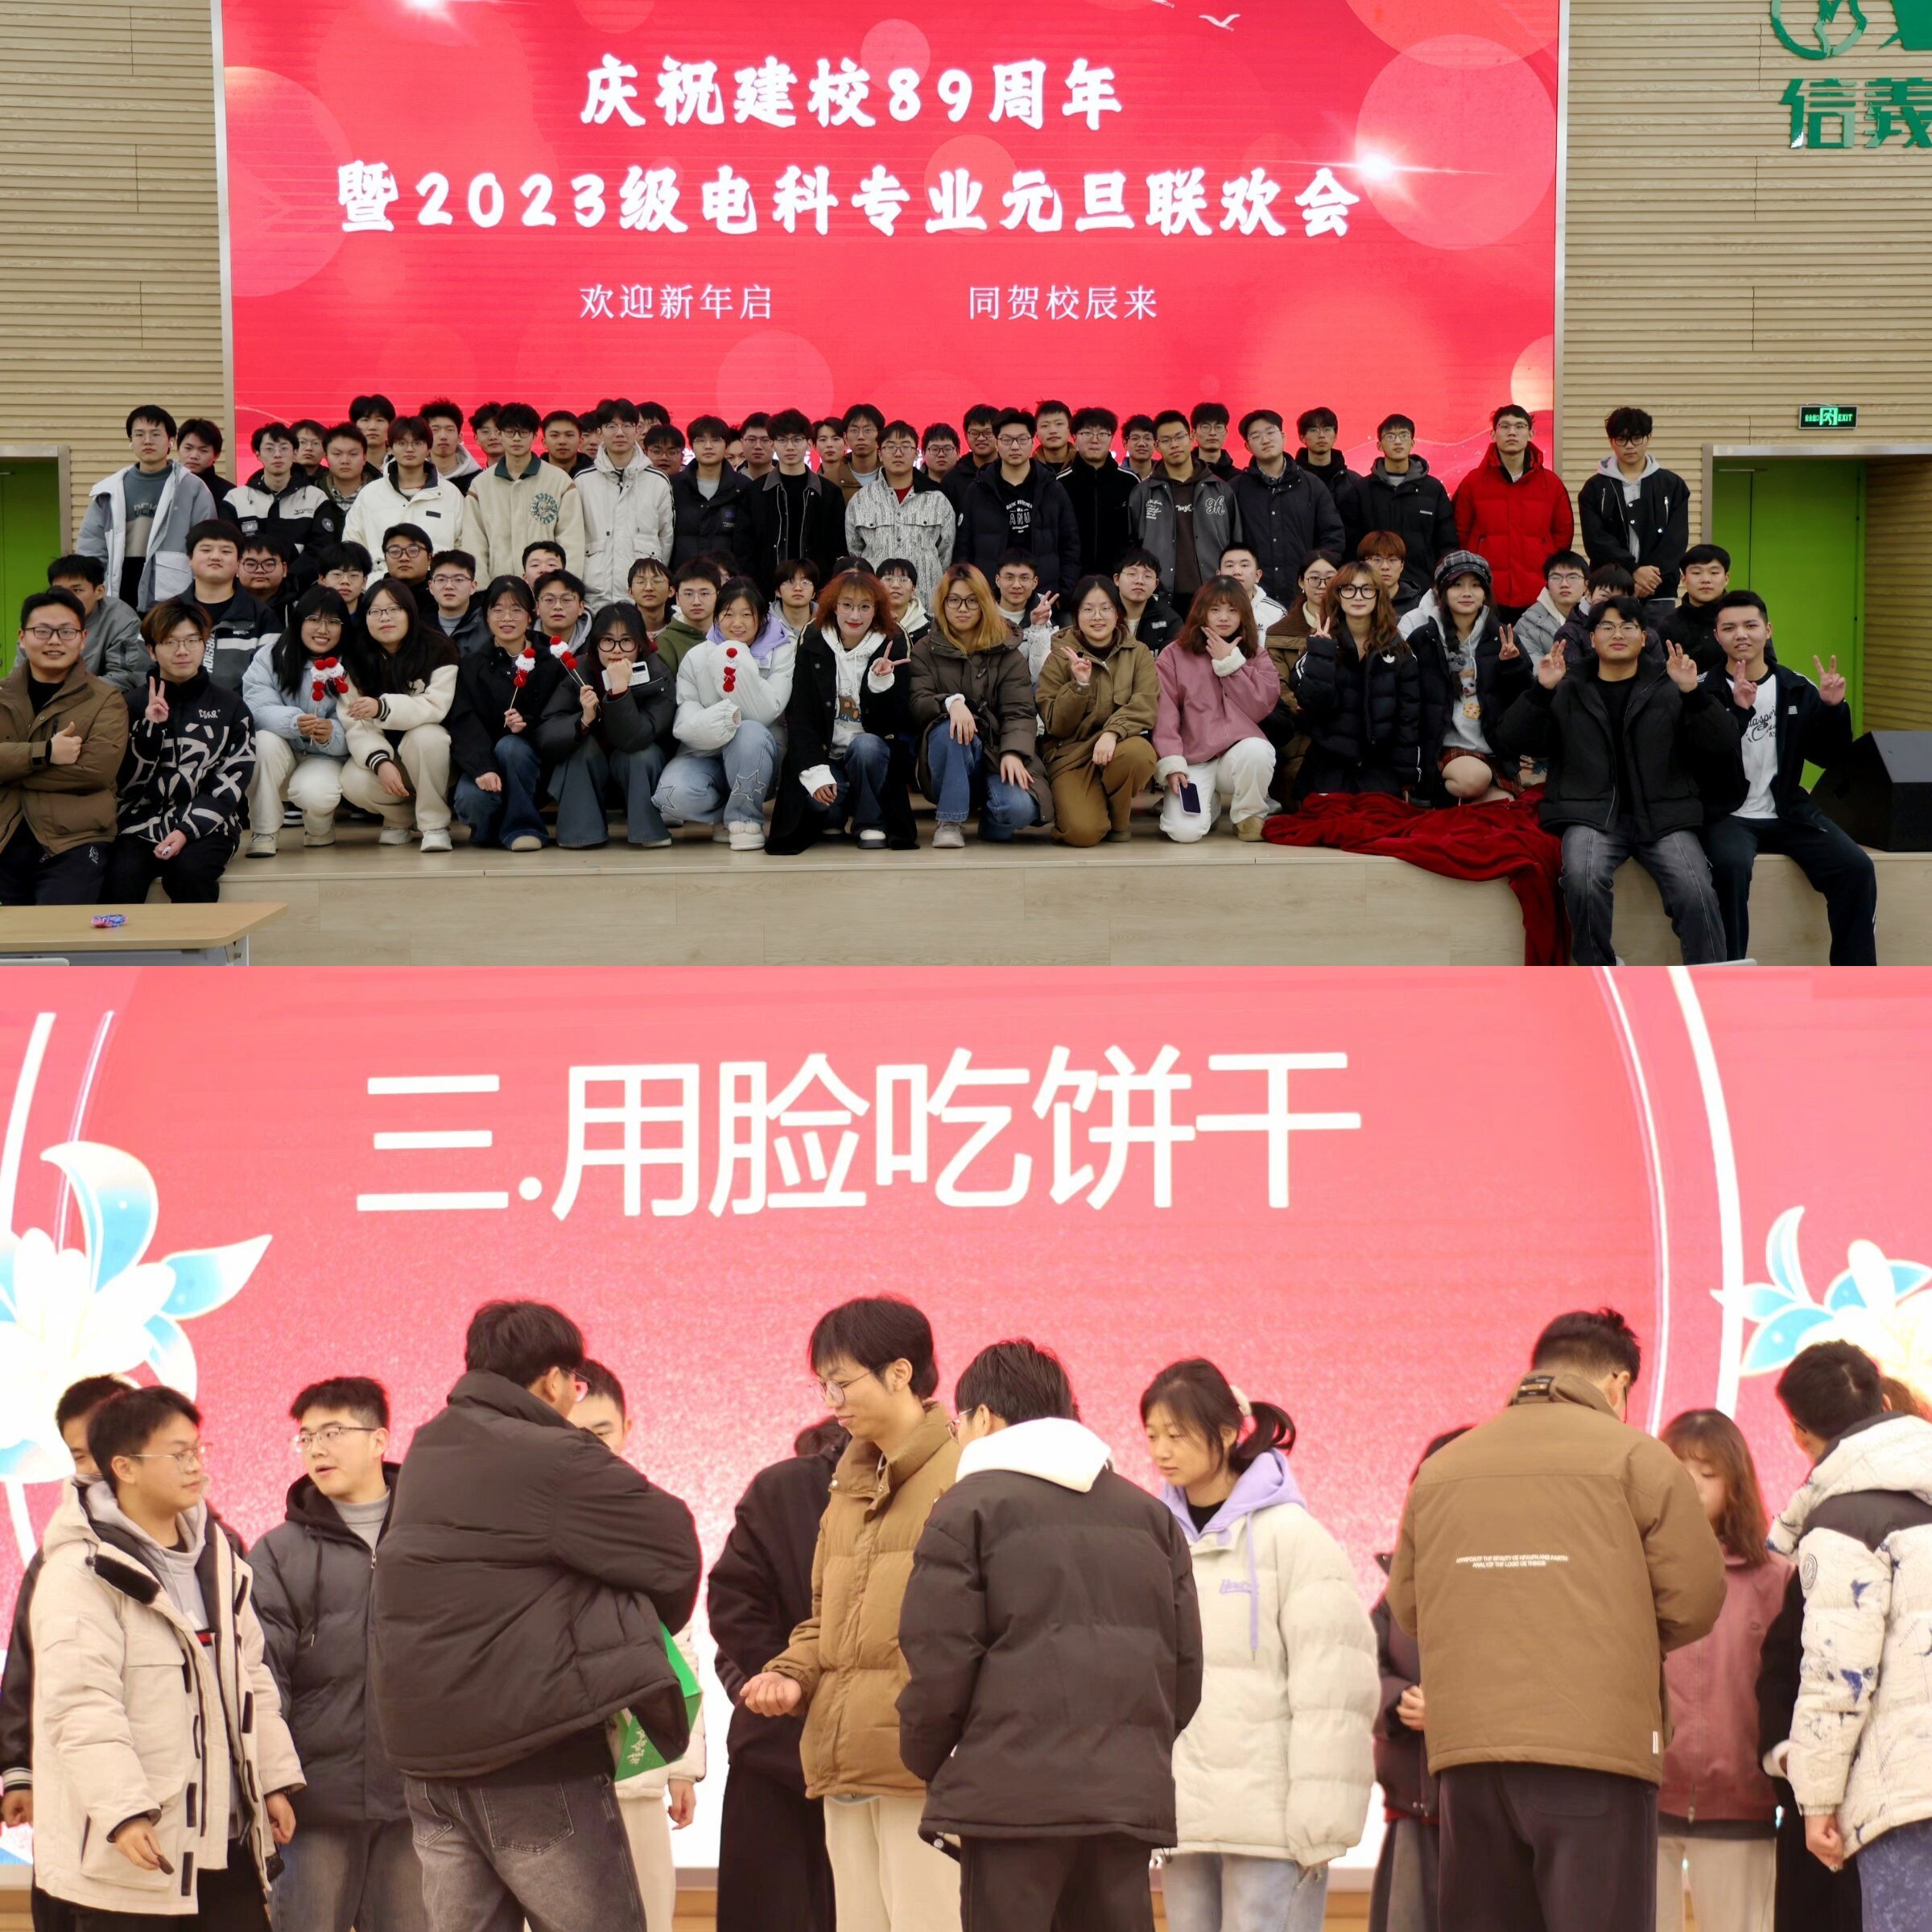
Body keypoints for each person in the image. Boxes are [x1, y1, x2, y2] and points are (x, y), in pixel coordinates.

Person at [1388, 1308, 1727, 1932]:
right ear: (1619, 1384)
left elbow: (1410, 1609)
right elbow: (1696, 1599)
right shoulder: (1640, 1460)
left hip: (1470, 1759)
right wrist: (1617, 1628)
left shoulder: (1442, 1469)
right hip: (1597, 1754)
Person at [370, 1301, 700, 1932]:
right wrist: (616, 1624)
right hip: (531, 1755)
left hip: (428, 1764)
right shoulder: (555, 1455)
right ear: (553, 1381)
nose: (576, 1398)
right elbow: (673, 1549)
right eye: (577, 1384)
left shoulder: (429, 1446)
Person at [898, 1341, 1203, 1932]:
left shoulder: (966, 1509)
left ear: (985, 1419)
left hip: (1009, 1804)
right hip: (1123, 1801)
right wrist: (1131, 1749)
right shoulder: (1151, 1517)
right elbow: (1184, 1671)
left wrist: (928, 1759)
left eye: (960, 1423)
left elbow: (938, 1661)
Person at [32, 1383, 303, 1930]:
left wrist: (271, 1780)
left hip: (226, 1843)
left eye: (198, 1450)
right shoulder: (80, 1571)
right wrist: (125, 1812)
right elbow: (81, 1705)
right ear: (125, 1468)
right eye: (178, 1454)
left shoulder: (220, 1561)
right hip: (134, 1853)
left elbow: (252, 1680)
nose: (196, 1465)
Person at [738, 1297, 964, 1932]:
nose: (831, 1400)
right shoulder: (847, 1486)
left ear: (900, 1373)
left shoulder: (964, 1475)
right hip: (844, 1758)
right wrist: (790, 1672)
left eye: (841, 1382)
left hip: (923, 1766)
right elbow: (826, 1621)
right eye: (822, 1386)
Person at [1143, 1358, 1377, 1932]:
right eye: (1152, 1435)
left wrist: (1322, 1821)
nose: (1161, 1451)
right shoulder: (1150, 1539)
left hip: (1273, 1826)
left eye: (1177, 1435)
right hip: (1184, 1819)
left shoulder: (1294, 1539)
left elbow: (1334, 1691)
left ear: (1227, 1433)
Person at [249, 1378, 424, 1932]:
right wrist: (273, 1782)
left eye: (332, 1432)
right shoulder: (278, 1553)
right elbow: (262, 1678)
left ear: (379, 1440)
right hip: (313, 1806)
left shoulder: (433, 1538)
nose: (316, 1449)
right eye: (306, 1438)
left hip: (416, 1802)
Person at [1768, 1342, 1932, 1929]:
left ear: (1798, 1432)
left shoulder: (1841, 1523)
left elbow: (1839, 1677)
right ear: (1885, 1402)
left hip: (1907, 1800)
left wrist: (1816, 1804)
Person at [1498, 597, 1737, 966]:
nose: (1618, 634)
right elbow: (1512, 739)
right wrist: (1541, 691)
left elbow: (1722, 743)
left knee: (1696, 889)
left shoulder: (1670, 684)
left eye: (1628, 626)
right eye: (1607, 627)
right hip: (1591, 814)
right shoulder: (1568, 685)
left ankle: (1711, 979)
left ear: (1644, 637)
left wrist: (1693, 694)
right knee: (1582, 877)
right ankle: (1600, 972)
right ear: (1592, 638)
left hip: (1663, 815)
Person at [564, 1362, 705, 1932]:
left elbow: (681, 1649)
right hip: (555, 1771)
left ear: (627, 1428)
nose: (590, 1446)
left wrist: (683, 1767)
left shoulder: (657, 1518)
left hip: (640, 1765)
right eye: (575, 1433)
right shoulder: (529, 1516)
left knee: (647, 1912)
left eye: (601, 1431)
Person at [0, 1374, 130, 1932]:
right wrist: (18, 1772)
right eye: (80, 1456)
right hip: (71, 1791)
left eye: (106, 1450)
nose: (95, 1470)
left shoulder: (211, 1547)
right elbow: (24, 1669)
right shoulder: (56, 1554)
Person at [1653, 1410, 1788, 1932]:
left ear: (1736, 1485)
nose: (1691, 1486)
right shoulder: (1635, 1568)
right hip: (1645, 1799)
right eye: (1678, 1471)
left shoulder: (1775, 1579)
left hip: (1742, 1804)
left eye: (1707, 1474)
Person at [708, 1422, 844, 1932]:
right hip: (774, 1751)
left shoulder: (937, 1486)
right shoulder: (781, 1490)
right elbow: (732, 1609)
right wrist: (781, 1684)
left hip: (870, 1758)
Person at [1700, 590, 1876, 965]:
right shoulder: (1703, 691)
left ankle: (1855, 975)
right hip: (1727, 814)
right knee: (1730, 869)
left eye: (1750, 625)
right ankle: (1728, 975)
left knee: (1857, 868)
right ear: (1717, 636)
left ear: (1768, 630)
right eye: (1729, 628)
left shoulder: (1796, 687)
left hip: (1788, 810)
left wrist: (1833, 709)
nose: (1741, 634)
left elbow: (1829, 757)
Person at [1368, 1428, 1472, 1932]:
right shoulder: (1399, 1588)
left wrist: (1456, 1713)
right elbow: (1362, 1666)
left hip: (1486, 1814)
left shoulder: (1518, 1579)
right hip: (1413, 1805)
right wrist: (1396, 1701)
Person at [102, 601, 253, 905]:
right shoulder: (128, 705)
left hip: (210, 824)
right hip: (138, 823)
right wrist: (149, 732)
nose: (182, 651)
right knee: (122, 874)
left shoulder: (231, 707)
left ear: (204, 645)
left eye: (192, 640)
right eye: (170, 642)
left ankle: (198, 939)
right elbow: (121, 784)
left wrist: (186, 830)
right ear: (151, 650)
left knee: (190, 872)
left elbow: (231, 782)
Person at [768, 568, 916, 855]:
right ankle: (834, 815)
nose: (855, 615)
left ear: (876, 610)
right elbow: (800, 715)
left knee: (867, 747)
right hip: (826, 755)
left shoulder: (892, 642)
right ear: (834, 606)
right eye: (847, 605)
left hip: (868, 756)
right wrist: (816, 770)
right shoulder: (813, 639)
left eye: (865, 607)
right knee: (820, 799)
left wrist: (881, 683)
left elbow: (895, 724)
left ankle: (870, 821)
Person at [1, 589, 130, 904]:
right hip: (6, 833)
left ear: (83, 639)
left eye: (67, 632)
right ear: (22, 638)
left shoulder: (106, 700)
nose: (55, 641)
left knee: (57, 927)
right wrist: (46, 753)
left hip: (74, 839)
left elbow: (96, 771)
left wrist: (11, 771)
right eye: (42, 631)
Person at [910, 564, 1049, 850]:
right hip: (950, 757)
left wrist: (1014, 752)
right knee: (949, 729)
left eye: (972, 600)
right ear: (942, 603)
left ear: (984, 602)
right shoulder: (925, 649)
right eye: (954, 600)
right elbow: (917, 701)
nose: (963, 608)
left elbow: (1020, 711)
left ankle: (993, 822)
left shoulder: (1006, 649)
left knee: (1019, 808)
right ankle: (950, 820)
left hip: (997, 752)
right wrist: (951, 703)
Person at [654, 575, 796, 851]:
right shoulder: (697, 656)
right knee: (672, 795)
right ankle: (726, 815)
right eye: (728, 614)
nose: (737, 623)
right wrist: (725, 718)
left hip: (757, 756)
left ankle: (745, 817)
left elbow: (769, 709)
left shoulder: (781, 652)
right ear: (717, 617)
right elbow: (685, 720)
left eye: (746, 614)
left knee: (749, 732)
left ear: (761, 618)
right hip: (704, 753)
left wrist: (736, 659)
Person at [1152, 577, 1282, 843]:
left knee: (1259, 751)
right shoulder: (1174, 654)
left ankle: (1249, 815)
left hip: (1236, 757)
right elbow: (1165, 715)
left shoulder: (1255, 654)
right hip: (1193, 760)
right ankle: (1208, 805)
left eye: (1232, 610)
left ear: (1243, 614)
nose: (1224, 617)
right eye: (1215, 609)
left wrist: (1232, 665)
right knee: (1184, 833)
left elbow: (1261, 706)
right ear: (1202, 612)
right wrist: (1173, 763)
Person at [539, 601, 675, 849]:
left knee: (641, 755)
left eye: (626, 641)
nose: (617, 650)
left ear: (640, 643)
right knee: (580, 751)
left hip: (635, 769)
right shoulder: (579, 670)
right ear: (595, 643)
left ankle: (647, 831)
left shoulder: (657, 673)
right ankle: (582, 833)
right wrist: (583, 720)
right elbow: (547, 732)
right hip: (592, 768)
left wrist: (620, 691)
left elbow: (636, 738)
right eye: (608, 641)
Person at [1035, 575, 1159, 846]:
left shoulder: (1138, 653)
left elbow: (1145, 703)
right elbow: (1055, 724)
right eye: (1088, 609)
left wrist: (1112, 733)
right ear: (1076, 615)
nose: (1097, 617)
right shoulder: (1059, 656)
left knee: (1139, 753)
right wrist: (1079, 686)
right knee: (1082, 833)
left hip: (1117, 749)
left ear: (1117, 613)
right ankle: (1089, 805)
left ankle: (1119, 819)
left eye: (1105, 608)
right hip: (1070, 755)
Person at [338, 579, 459, 852]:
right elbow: (356, 724)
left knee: (426, 737)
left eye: (394, 609)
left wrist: (382, 707)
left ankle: (434, 824)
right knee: (351, 781)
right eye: (375, 611)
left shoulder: (438, 648)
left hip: (439, 759)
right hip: (391, 759)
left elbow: (436, 707)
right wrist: (380, 761)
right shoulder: (354, 657)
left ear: (410, 612)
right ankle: (400, 819)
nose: (385, 618)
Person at [447, 574, 564, 852]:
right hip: (488, 761)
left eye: (516, 609)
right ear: (486, 616)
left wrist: (527, 725)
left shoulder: (551, 661)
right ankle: (491, 832)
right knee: (471, 799)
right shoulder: (472, 664)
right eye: (497, 609)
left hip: (533, 763)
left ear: (531, 614)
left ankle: (524, 827)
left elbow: (558, 715)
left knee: (511, 746)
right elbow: (463, 720)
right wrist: (482, 766)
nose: (506, 618)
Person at [1407, 550, 1532, 807]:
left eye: (1476, 585)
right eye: (1457, 585)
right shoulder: (1424, 638)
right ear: (1442, 591)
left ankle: (1453, 807)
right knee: (1474, 779)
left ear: (1485, 592)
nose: (1467, 592)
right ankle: (1438, 795)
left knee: (1504, 808)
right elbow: (1410, 700)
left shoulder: (1503, 636)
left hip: (1492, 748)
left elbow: (1523, 701)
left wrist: (1512, 666)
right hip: (1445, 749)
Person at [1289, 562, 1422, 799]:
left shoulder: (1399, 652)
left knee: (1378, 818)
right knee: (1330, 818)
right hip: (1328, 763)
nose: (1358, 596)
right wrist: (1321, 654)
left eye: (1367, 589)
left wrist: (1405, 776)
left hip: (1378, 765)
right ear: (1337, 595)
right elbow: (1311, 704)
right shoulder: (1319, 644)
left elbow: (1408, 719)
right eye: (1349, 589)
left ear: (1378, 596)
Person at [242, 585, 353, 855]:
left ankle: (319, 827)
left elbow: (359, 726)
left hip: (326, 757)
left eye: (333, 622)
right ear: (299, 620)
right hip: (284, 749)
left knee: (314, 792)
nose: (323, 629)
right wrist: (295, 722)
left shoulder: (353, 661)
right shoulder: (271, 656)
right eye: (313, 619)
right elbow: (257, 708)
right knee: (262, 742)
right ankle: (264, 831)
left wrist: (331, 733)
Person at [76, 404, 217, 611]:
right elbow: (91, 547)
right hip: (119, 586)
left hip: (173, 595)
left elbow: (207, 544)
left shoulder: (192, 487)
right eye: (139, 434)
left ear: (171, 440)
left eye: (156, 434)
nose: (147, 441)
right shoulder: (110, 490)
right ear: (131, 441)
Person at [1447, 406, 1574, 622]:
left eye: (1519, 426)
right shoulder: (1473, 483)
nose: (1512, 432)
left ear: (1531, 434)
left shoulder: (1551, 484)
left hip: (1538, 593)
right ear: (1493, 434)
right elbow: (1459, 534)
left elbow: (1563, 536)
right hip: (1486, 593)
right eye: (1504, 426)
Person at [952, 410, 1083, 609]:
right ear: (997, 442)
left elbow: (1070, 545)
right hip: (989, 599)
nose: (1014, 446)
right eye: (1007, 440)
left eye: (1022, 439)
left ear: (1032, 441)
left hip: (1045, 598)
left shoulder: (1052, 488)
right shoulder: (978, 490)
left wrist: (1063, 593)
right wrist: (971, 592)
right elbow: (964, 548)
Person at [1335, 417, 1458, 614]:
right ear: (1379, 444)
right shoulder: (1362, 490)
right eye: (1391, 436)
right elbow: (1349, 546)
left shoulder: (1432, 489)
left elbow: (1446, 543)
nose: (1398, 441)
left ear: (1413, 442)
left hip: (1423, 592)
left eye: (1404, 435)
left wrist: (1439, 585)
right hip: (1370, 592)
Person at [1579, 407, 1691, 621]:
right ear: (1611, 441)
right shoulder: (1594, 488)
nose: (1630, 446)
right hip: (1611, 590)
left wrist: (1649, 579)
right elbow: (1596, 541)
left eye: (1637, 438)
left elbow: (1675, 541)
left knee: (1657, 642)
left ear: (1649, 437)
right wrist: (1632, 571)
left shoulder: (1672, 485)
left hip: (1659, 591)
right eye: (1622, 439)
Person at [458, 402, 585, 582]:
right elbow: (474, 543)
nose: (517, 438)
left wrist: (563, 587)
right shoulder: (480, 485)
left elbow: (572, 542)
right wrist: (481, 590)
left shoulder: (560, 482)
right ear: (500, 434)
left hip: (547, 589)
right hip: (498, 589)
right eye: (510, 432)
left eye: (523, 432)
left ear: (535, 435)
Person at [1127, 411, 1241, 609]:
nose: (1174, 444)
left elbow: (1236, 545)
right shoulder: (1142, 493)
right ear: (1157, 446)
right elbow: (1131, 547)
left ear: (1191, 438)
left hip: (1213, 596)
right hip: (1160, 599)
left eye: (1179, 437)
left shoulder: (1220, 489)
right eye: (1166, 440)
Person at [1232, 410, 1347, 603]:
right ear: (1248, 446)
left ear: (1283, 436)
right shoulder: (1236, 489)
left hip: (1304, 597)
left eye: (1271, 432)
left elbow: (1333, 536)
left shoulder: (1312, 485)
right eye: (1256, 436)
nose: (1265, 440)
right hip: (1252, 599)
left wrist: (1315, 577)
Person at [577, 398, 675, 613]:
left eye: (627, 426)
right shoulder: (583, 481)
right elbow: (576, 537)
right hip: (595, 594)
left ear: (637, 430)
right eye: (611, 426)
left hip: (643, 595)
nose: (620, 433)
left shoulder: (657, 481)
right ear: (600, 432)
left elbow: (666, 538)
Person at [1259, 550, 1340, 799]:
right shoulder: (1279, 631)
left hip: (1340, 726)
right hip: (1297, 729)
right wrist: (1304, 708)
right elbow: (1278, 685)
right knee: (1302, 793)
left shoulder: (1352, 624)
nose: (1322, 585)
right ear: (1301, 582)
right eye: (1314, 578)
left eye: (1330, 578)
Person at [845, 422, 954, 608]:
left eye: (905, 446)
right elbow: (855, 552)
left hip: (926, 604)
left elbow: (946, 554)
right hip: (876, 604)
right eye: (890, 447)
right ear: (880, 453)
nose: (898, 453)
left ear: (916, 453)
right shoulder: (861, 500)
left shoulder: (937, 500)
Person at [340, 415, 466, 574]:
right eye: (402, 443)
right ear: (391, 447)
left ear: (428, 448)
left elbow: (464, 546)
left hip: (435, 585)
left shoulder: (451, 494)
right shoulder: (370, 494)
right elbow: (352, 546)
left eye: (417, 443)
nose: (410, 449)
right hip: (380, 584)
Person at [745, 409, 848, 592]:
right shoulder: (755, 492)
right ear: (772, 444)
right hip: (767, 593)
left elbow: (838, 548)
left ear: (809, 444)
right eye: (782, 440)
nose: (790, 447)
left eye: (797, 440)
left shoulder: (829, 493)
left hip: (817, 593)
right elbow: (745, 549)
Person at [183, 520, 280, 688]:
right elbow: (144, 672)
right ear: (189, 558)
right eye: (206, 550)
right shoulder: (167, 612)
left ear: (238, 562)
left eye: (226, 551)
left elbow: (269, 679)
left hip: (242, 705)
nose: (215, 557)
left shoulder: (262, 617)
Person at [46, 554, 147, 694]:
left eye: (76, 590)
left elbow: (125, 676)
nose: (67, 598)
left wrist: (68, 693)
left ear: (99, 592)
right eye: (59, 591)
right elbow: (22, 670)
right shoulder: (39, 617)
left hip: (100, 697)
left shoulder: (122, 619)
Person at [222, 422, 327, 558]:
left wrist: (288, 572)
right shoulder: (235, 499)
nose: (277, 455)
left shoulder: (317, 498)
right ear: (258, 454)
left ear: (295, 453)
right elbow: (228, 547)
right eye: (269, 449)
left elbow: (319, 549)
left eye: (284, 448)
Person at [1059, 406, 1137, 579]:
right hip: (1072, 580)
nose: (1095, 440)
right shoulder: (1060, 484)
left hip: (1119, 580)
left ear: (1112, 438)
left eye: (1102, 434)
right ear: (1074, 437)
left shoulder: (1130, 482)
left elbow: (1138, 536)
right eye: (1087, 433)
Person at [669, 415, 753, 571]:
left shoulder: (743, 487)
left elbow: (747, 545)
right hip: (684, 577)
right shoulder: (674, 486)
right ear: (691, 446)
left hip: (727, 579)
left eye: (716, 440)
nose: (708, 446)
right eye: (700, 440)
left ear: (726, 446)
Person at [1660, 544, 1735, 670]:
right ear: (1683, 579)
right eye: (1696, 573)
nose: (1705, 580)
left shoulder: (1742, 619)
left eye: (1714, 573)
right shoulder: (1669, 625)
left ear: (1726, 578)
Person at [1511, 549, 1591, 667]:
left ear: (1586, 585)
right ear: (1547, 584)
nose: (1564, 584)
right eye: (1556, 577)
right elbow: (1530, 667)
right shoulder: (1527, 625)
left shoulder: (1599, 618)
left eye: (1573, 577)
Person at [308, 423, 373, 554]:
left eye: (353, 454)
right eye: (337, 454)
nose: (345, 461)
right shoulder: (311, 495)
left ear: (364, 457)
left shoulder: (379, 493)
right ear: (326, 457)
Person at [657, 559, 724, 675]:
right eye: (688, 594)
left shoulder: (731, 633)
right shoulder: (666, 642)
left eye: (704, 594)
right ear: (677, 598)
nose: (696, 602)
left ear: (718, 596)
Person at [1116, 548, 1183, 650]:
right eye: (1132, 574)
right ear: (1117, 579)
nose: (1140, 581)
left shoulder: (1169, 620)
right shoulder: (1102, 614)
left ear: (1156, 584)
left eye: (1147, 576)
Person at [422, 399, 481, 493]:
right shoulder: (416, 479)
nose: (443, 436)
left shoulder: (478, 480)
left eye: (450, 430)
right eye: (435, 430)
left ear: (460, 438)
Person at [238, 535, 299, 625]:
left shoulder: (300, 609)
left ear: (284, 569)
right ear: (237, 568)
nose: (260, 570)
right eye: (251, 564)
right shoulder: (224, 605)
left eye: (269, 564)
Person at [177, 417, 237, 505]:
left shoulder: (230, 494)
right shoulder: (167, 485)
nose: (194, 456)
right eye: (188, 448)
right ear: (178, 449)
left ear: (216, 455)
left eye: (203, 450)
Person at [876, 558, 931, 649]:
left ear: (913, 589)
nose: (896, 585)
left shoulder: (930, 629)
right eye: (888, 579)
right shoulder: (866, 622)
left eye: (903, 580)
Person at [1294, 407, 1348, 491]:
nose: (1321, 435)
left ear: (1335, 436)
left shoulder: (1354, 482)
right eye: (1314, 430)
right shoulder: (1290, 481)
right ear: (1302, 437)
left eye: (1327, 429)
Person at [316, 543, 371, 616]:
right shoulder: (308, 614)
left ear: (364, 582)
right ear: (322, 579)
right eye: (337, 574)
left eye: (354, 575)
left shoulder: (376, 616)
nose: (345, 581)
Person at [350, 394, 396, 475]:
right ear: (354, 425)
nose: (372, 427)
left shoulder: (401, 460)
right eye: (365, 420)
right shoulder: (346, 462)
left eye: (380, 420)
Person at [1190, 401, 1236, 481]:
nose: (1213, 433)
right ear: (1194, 433)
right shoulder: (1183, 476)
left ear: (1226, 433)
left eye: (1218, 427)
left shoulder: (1238, 479)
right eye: (1205, 427)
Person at [540, 409, 592, 478]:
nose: (562, 442)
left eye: (569, 435)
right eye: (554, 435)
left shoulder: (595, 475)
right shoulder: (534, 476)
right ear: (544, 442)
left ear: (580, 441)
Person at [1034, 399, 1075, 477]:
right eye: (1045, 426)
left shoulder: (1084, 465)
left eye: (1059, 424)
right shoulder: (1029, 469)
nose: (1053, 431)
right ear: (1035, 432)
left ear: (1071, 428)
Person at [1121, 413, 1158, 484]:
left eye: (1147, 438)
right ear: (1125, 444)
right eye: (1135, 438)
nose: (1142, 444)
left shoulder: (1166, 477)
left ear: (1155, 444)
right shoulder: (1116, 478)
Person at [919, 423, 959, 490]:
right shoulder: (913, 486)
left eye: (947, 449)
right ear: (923, 454)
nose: (941, 454)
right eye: (935, 449)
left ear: (958, 453)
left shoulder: (969, 486)